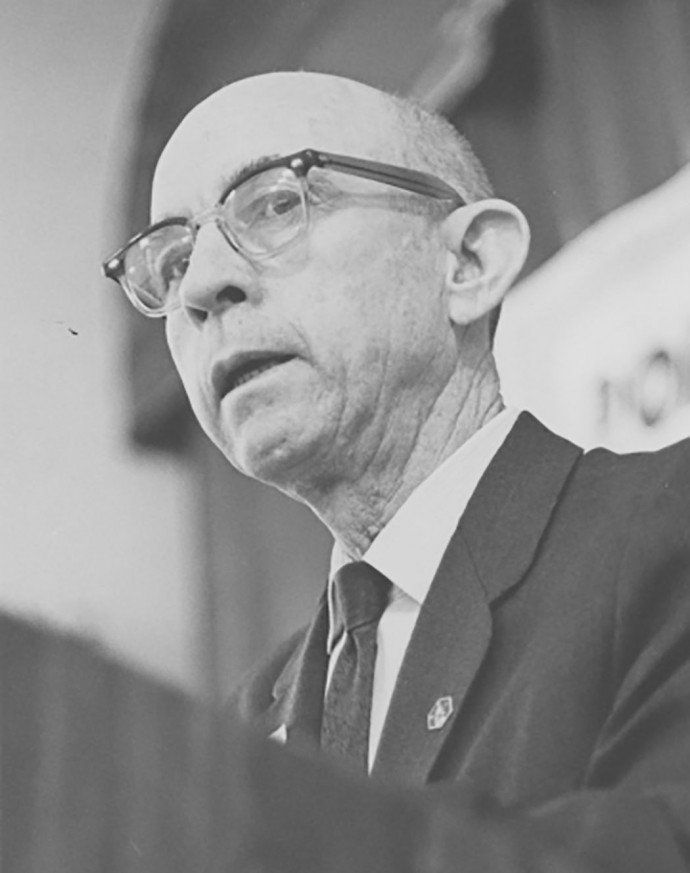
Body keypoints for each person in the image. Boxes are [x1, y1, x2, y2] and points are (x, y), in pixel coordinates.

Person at [102, 71, 690, 872]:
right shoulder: (242, 730)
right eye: (171, 263)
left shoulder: (669, 525)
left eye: (274, 203)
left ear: (469, 262)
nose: (202, 287)